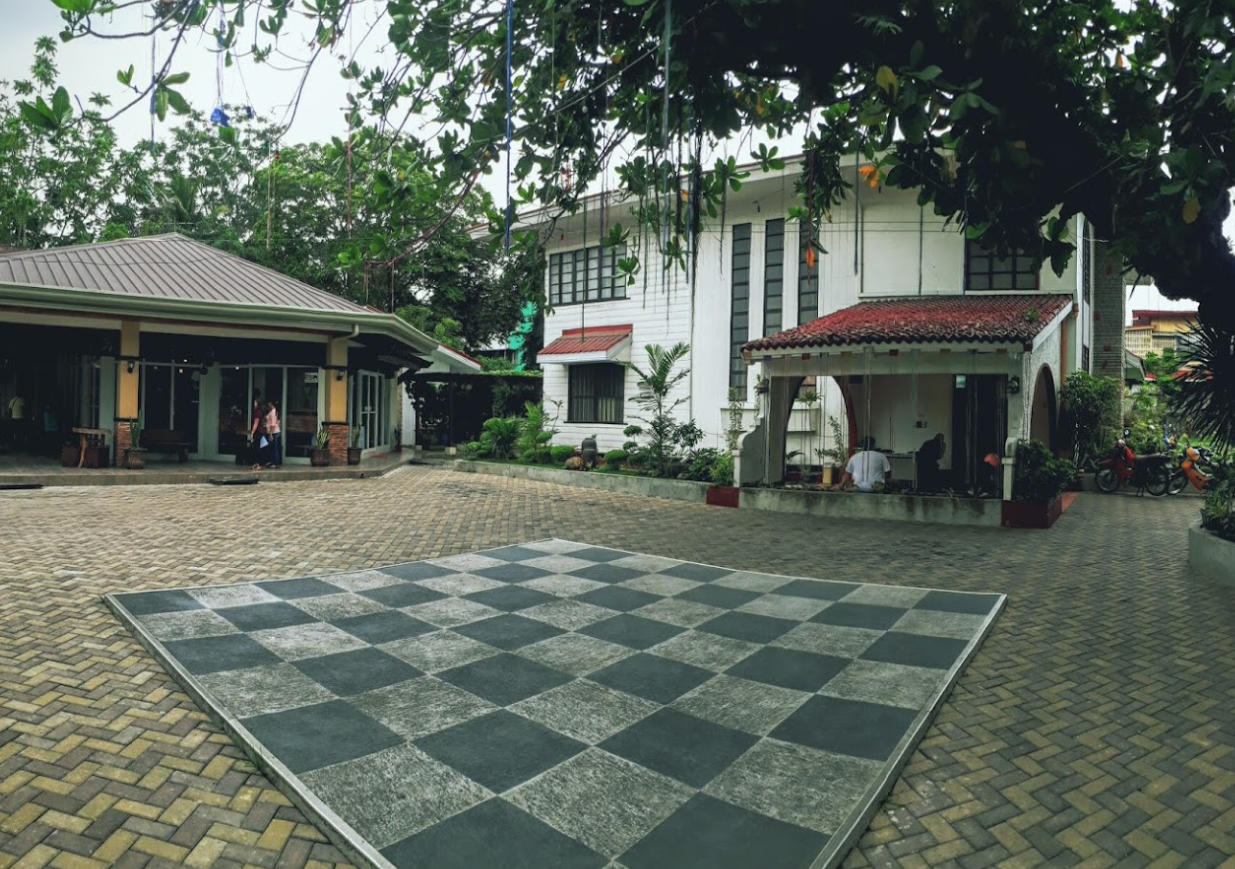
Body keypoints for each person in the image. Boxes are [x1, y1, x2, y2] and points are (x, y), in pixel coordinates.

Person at [248, 390, 267, 470]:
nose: (254, 403)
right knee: (257, 448)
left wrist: (252, 432)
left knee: (256, 448)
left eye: (255, 402)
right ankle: (256, 464)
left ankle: (257, 463)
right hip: (260, 431)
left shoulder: (257, 412)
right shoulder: (260, 411)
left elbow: (256, 422)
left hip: (257, 432)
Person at [264, 400, 282, 468]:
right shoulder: (274, 411)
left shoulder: (273, 412)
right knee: (272, 448)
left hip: (273, 432)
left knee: (274, 448)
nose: (268, 405)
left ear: (271, 403)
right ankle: (272, 462)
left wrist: (271, 434)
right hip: (274, 432)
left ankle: (275, 463)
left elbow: (273, 424)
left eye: (268, 403)